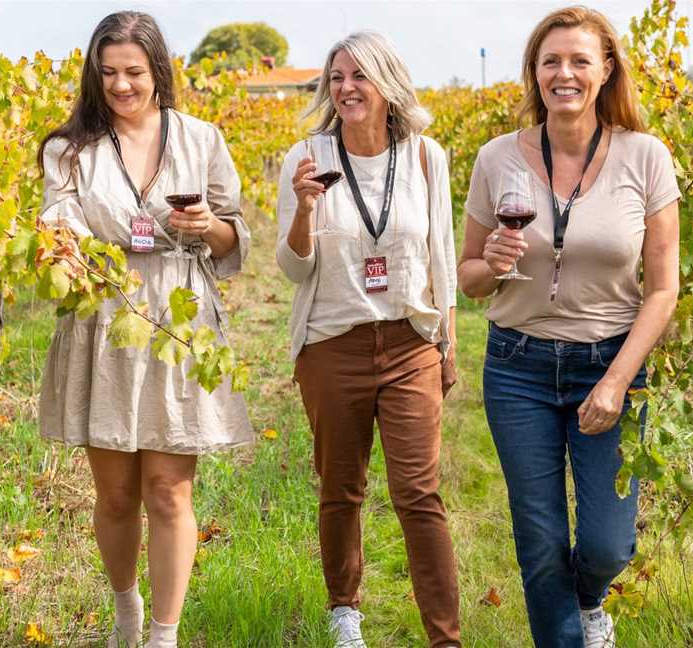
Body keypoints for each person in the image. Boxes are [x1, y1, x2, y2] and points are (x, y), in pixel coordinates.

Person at [458, 7, 679, 648]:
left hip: (609, 364)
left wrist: (616, 381)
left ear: (606, 70)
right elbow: (470, 281)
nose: (565, 73)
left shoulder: (646, 156)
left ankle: (590, 601)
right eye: (551, 60)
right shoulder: (497, 157)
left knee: (608, 544)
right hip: (516, 367)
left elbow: (663, 290)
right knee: (541, 541)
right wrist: (491, 265)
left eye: (580, 60)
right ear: (535, 71)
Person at [36, 11, 252, 648]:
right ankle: (125, 607)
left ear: (159, 71)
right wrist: (65, 243)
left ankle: (163, 635)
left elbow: (234, 234)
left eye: (133, 72)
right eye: (108, 74)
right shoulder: (69, 148)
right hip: (107, 315)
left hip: (178, 314)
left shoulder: (201, 139)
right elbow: (59, 218)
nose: (121, 86)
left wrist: (205, 227)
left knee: (168, 487)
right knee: (115, 492)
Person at [276, 31, 461, 648]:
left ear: (387, 86)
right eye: (337, 78)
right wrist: (304, 209)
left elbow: (442, 254)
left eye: (360, 76)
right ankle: (344, 612)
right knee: (342, 487)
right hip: (333, 344)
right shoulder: (306, 155)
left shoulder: (426, 157)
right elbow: (293, 267)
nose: (347, 88)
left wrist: (448, 340)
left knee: (419, 493)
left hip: (410, 343)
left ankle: (444, 635)